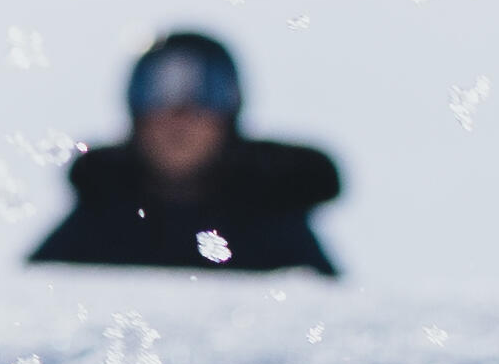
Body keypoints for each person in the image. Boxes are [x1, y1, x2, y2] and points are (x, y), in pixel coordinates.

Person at [28, 26, 340, 274]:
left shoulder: (275, 223)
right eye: (156, 92)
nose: (180, 117)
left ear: (229, 116)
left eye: (207, 92)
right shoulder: (95, 223)